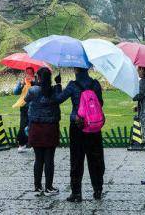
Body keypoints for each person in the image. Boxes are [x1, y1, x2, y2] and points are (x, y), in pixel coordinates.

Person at [53, 67, 105, 202]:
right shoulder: (95, 84)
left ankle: (76, 193)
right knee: (96, 158)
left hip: (78, 125)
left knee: (76, 159)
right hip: (94, 126)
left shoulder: (72, 86)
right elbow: (100, 103)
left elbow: (58, 99)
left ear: (76, 70)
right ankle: (98, 189)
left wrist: (58, 84)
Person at [25, 67, 61, 197]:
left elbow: (25, 100)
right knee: (49, 159)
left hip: (36, 127)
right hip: (50, 128)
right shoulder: (54, 91)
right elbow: (59, 99)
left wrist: (34, 84)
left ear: (38, 77)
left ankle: (37, 186)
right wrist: (59, 84)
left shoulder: (33, 90)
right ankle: (49, 187)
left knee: (38, 159)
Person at [13, 67, 35, 152]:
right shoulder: (22, 81)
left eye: (30, 73)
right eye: (27, 73)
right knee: (23, 125)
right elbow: (15, 92)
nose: (28, 75)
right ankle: (22, 143)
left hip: (34, 107)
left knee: (33, 125)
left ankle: (33, 143)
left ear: (33, 73)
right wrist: (21, 85)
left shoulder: (36, 81)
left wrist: (33, 82)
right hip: (24, 106)